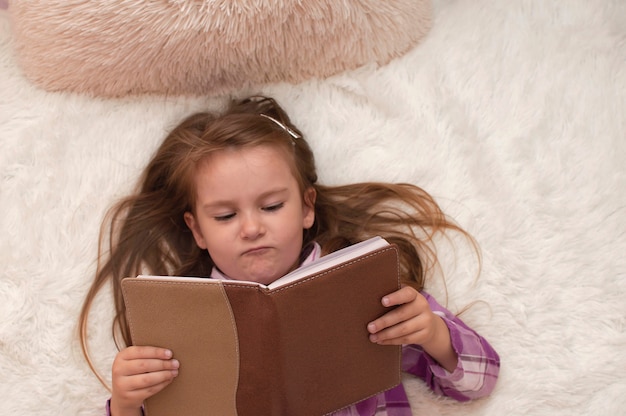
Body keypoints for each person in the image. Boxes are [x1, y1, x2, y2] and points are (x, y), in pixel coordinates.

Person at [79, 96, 500, 416]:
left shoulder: (363, 286)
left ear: (306, 207)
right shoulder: (176, 318)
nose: (251, 228)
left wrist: (430, 332)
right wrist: (125, 403)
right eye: (225, 215)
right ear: (196, 230)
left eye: (272, 206)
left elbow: (481, 382)